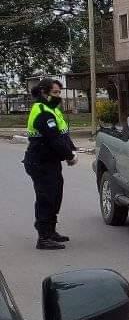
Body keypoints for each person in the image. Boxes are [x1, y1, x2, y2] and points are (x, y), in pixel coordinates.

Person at [23, 78, 78, 250]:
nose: (58, 96)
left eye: (59, 93)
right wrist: (69, 156)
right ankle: (43, 237)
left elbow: (62, 134)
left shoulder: (51, 109)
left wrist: (73, 149)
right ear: (44, 92)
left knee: (55, 195)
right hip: (40, 161)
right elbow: (54, 139)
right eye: (54, 93)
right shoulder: (42, 111)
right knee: (46, 197)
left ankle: (51, 230)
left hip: (50, 161)